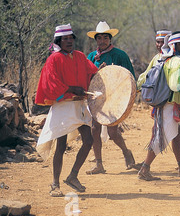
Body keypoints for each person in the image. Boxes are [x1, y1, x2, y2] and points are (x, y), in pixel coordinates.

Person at [35, 24, 98, 196]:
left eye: (71, 38)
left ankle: (73, 176)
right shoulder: (53, 59)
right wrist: (71, 88)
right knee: (61, 145)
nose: (69, 41)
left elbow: (92, 71)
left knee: (88, 140)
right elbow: (51, 83)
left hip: (78, 105)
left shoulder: (79, 56)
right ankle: (55, 185)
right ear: (59, 41)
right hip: (63, 106)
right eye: (65, 39)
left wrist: (102, 72)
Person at [138, 31, 180, 181]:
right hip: (172, 104)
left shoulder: (164, 59)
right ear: (178, 45)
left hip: (165, 103)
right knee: (162, 137)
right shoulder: (179, 61)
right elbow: (176, 84)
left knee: (174, 134)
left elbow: (143, 78)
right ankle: (145, 168)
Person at [86, 21, 137, 174]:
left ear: (110, 38)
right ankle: (99, 164)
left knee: (112, 132)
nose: (102, 41)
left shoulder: (120, 55)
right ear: (96, 40)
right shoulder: (91, 56)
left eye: (105, 38)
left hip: (115, 100)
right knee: (95, 129)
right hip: (97, 99)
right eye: (99, 38)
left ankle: (126, 152)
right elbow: (87, 78)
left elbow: (130, 78)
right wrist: (96, 73)